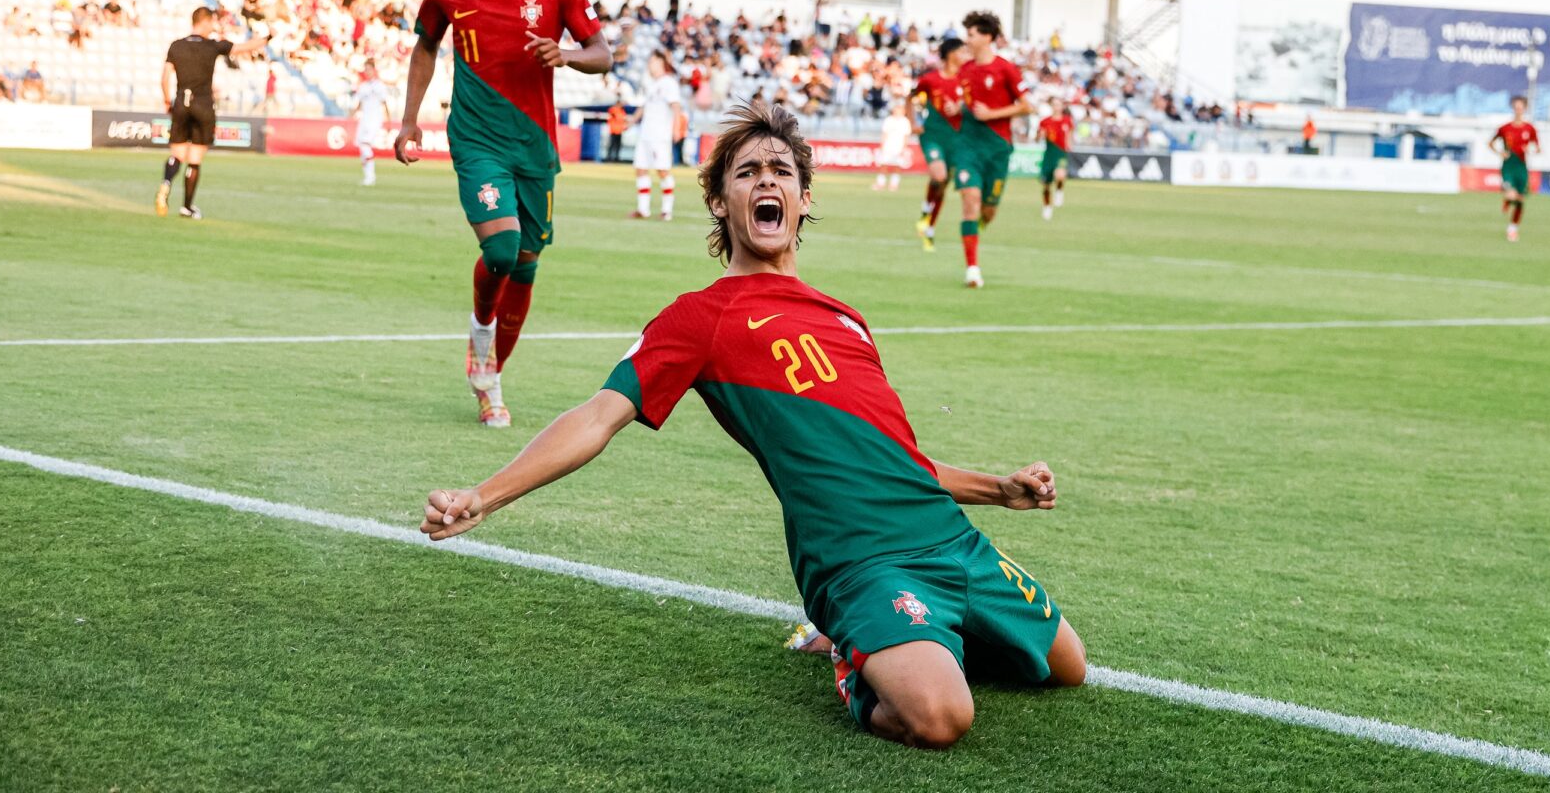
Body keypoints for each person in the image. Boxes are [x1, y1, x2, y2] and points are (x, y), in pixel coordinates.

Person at [417, 100, 1086, 747]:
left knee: (1067, 669)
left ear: (802, 201)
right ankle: (853, 654)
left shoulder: (843, 316)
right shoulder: (700, 318)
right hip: (860, 562)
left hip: (951, 540)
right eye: (747, 173)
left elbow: (895, 461)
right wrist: (485, 495)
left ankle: (915, 637)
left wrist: (999, 489)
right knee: (940, 720)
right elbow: (596, 418)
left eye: (782, 172)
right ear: (719, 202)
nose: (767, 180)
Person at [395, 0, 612, 428]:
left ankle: (489, 377)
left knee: (527, 265)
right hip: (477, 138)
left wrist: (564, 55)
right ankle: (481, 334)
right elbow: (424, 46)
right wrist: (409, 121)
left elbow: (601, 53)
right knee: (502, 251)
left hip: (535, 145)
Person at [156, 7, 267, 220]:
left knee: (177, 154)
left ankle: (166, 183)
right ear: (205, 22)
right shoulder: (212, 45)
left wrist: (168, 102)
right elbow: (245, 47)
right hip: (203, 105)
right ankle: (187, 207)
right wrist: (268, 37)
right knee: (194, 159)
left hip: (181, 103)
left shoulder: (176, 46)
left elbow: (164, 78)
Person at [952, 11, 1031, 288]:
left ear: (986, 37)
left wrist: (993, 113)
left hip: (998, 148)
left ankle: (976, 230)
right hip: (968, 147)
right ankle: (972, 268)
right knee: (970, 200)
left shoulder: (1006, 69)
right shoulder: (965, 70)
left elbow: (1026, 105)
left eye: (972, 34)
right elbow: (966, 103)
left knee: (988, 211)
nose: (968, 39)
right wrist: (956, 108)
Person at [909, 38, 966, 252]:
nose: (965, 55)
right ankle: (926, 209)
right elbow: (911, 97)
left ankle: (929, 227)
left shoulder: (965, 80)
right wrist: (912, 121)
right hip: (933, 135)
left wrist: (961, 107)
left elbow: (973, 104)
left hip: (957, 139)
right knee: (939, 176)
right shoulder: (930, 79)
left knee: (943, 184)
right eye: (962, 51)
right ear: (951, 54)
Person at [630, 49, 684, 221]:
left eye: (652, 61)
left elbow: (676, 108)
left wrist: (676, 128)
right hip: (645, 133)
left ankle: (667, 210)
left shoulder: (669, 83)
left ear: (661, 62)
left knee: (662, 170)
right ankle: (643, 209)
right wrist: (631, 121)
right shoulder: (652, 84)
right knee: (641, 169)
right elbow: (644, 107)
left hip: (660, 134)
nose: (649, 65)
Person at [1490, 95, 1540, 242]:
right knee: (1511, 194)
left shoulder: (1530, 129)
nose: (1518, 110)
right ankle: (1508, 199)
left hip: (1521, 167)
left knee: (1520, 200)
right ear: (1513, 108)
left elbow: (1537, 148)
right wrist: (1500, 152)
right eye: (1516, 107)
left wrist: (1531, 149)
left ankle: (1512, 229)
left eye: (1521, 107)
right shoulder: (1505, 128)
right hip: (1508, 166)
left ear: (1525, 109)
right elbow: (1490, 143)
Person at [351, 64, 389, 187]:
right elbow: (360, 103)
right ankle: (367, 175)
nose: (367, 72)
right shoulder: (363, 86)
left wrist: (388, 120)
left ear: (374, 70)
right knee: (361, 147)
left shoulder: (380, 86)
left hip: (375, 119)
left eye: (369, 69)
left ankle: (371, 176)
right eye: (365, 70)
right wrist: (352, 114)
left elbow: (384, 103)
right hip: (364, 119)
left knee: (365, 145)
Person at [1037, 102, 1073, 220]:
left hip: (1061, 153)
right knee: (1046, 185)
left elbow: (1070, 134)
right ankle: (1047, 206)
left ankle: (1059, 191)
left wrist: (1069, 144)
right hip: (1049, 154)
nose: (1056, 107)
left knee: (1060, 174)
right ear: (1051, 106)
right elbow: (1038, 139)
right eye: (1054, 105)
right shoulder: (1045, 121)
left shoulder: (1067, 121)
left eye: (1059, 105)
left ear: (1062, 107)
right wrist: (1040, 135)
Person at [874, 102, 910, 192]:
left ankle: (894, 184)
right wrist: (882, 145)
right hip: (888, 146)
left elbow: (906, 136)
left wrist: (904, 148)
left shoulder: (905, 121)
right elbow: (884, 134)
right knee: (883, 165)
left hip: (899, 147)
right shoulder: (889, 120)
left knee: (897, 166)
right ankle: (880, 183)